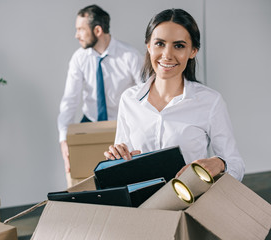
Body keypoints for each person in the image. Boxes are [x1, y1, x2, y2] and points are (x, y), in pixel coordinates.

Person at [104, 8, 245, 181]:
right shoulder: (129, 99)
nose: (167, 55)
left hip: (190, 202)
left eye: (179, 46)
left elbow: (236, 165)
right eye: (160, 44)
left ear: (193, 51)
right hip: (142, 203)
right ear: (148, 46)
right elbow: (124, 161)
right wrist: (116, 158)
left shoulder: (210, 102)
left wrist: (220, 163)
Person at [57, 5, 143, 186]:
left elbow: (147, 95)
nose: (76, 35)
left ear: (97, 30)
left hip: (121, 125)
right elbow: (70, 100)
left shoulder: (130, 56)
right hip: (91, 122)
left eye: (80, 29)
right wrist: (64, 139)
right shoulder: (79, 58)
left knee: (122, 178)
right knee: (82, 178)